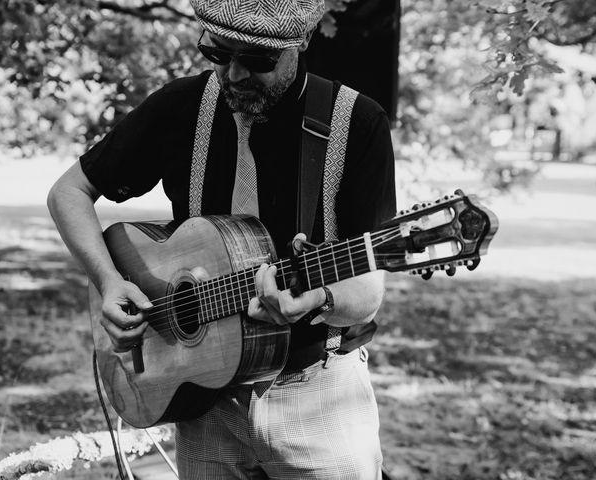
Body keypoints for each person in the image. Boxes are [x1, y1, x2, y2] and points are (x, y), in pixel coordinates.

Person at [47, 0, 396, 478]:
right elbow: (69, 192)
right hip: (203, 405)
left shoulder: (357, 124)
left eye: (257, 60)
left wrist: (317, 298)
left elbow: (368, 290)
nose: (232, 75)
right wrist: (109, 282)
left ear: (301, 44)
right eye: (218, 53)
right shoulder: (181, 107)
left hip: (319, 399)